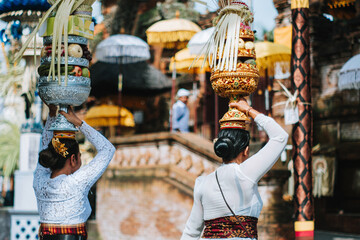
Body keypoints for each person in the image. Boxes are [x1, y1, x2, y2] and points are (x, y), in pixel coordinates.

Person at [181, 98, 289, 240]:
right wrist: (248, 110)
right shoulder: (246, 173)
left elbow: (191, 233)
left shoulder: (203, 183)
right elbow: (280, 137)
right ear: (246, 150)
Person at [34, 104, 115, 240]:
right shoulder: (76, 182)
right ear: (73, 159)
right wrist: (78, 123)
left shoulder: (39, 180)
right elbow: (108, 149)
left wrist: (52, 114)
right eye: (79, 156)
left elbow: (45, 144)